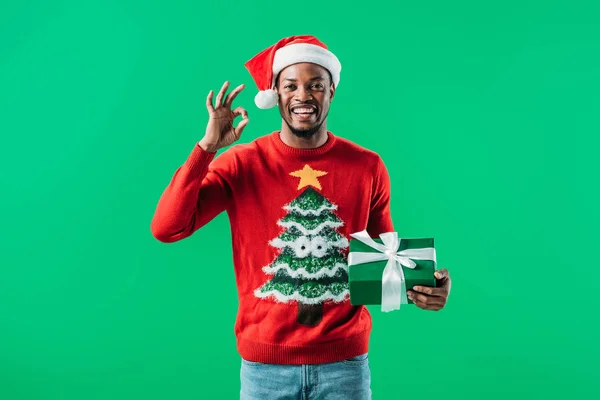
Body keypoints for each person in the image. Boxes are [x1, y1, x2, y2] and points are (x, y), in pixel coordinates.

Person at [151, 35, 451, 400]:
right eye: (291, 85)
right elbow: (167, 228)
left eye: (316, 86)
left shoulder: (367, 166)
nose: (303, 96)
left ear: (332, 92)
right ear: (275, 92)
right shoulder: (241, 163)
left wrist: (425, 287)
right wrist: (207, 148)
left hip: (345, 367)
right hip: (265, 370)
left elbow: (383, 262)